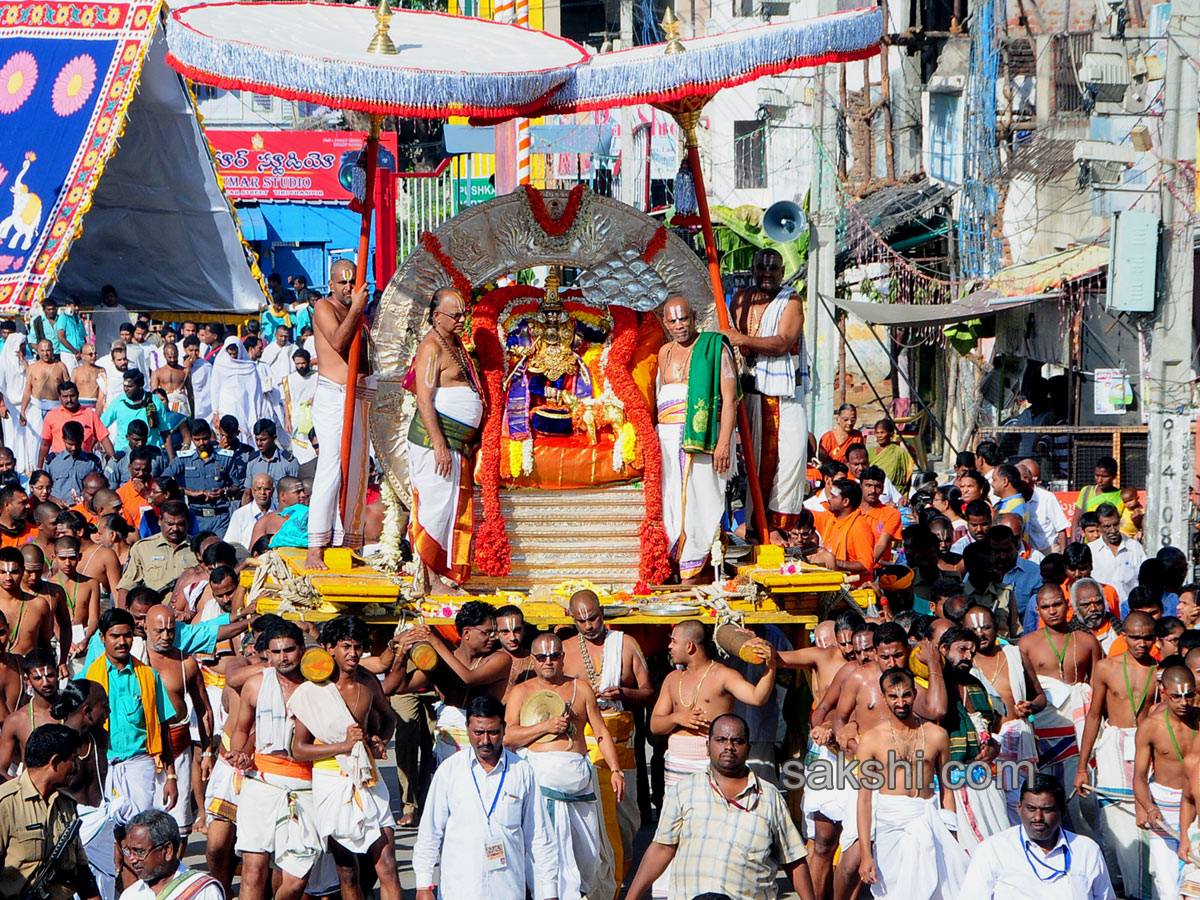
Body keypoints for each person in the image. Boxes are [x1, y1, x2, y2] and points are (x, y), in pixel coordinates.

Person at [623, 713, 815, 900]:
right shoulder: (684, 791)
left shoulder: (769, 797)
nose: (729, 747)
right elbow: (662, 848)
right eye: (721, 740)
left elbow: (793, 860)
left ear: (748, 748)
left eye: (737, 741)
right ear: (708, 746)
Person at [648, 619, 777, 897]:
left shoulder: (722, 675)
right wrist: (677, 717)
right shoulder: (673, 679)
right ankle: (672, 890)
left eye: (673, 641)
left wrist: (771, 669)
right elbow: (655, 725)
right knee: (674, 828)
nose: (669, 646)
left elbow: (755, 697)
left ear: (690, 646)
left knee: (711, 829)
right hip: (676, 764)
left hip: (710, 764)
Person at [504, 632, 622, 900]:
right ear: (533, 659)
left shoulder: (581, 689)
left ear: (562, 658)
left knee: (589, 857)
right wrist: (546, 726)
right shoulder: (521, 692)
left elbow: (601, 732)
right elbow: (508, 735)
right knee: (549, 856)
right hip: (541, 785)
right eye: (542, 657)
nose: (549, 661)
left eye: (554, 656)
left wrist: (615, 769)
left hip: (579, 784)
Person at [289, 615, 399, 900]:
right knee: (347, 871)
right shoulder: (311, 691)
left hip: (367, 778)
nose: (353, 654)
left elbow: (389, 718)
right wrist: (342, 746)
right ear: (329, 648)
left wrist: (379, 741)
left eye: (358, 647)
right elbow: (298, 749)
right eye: (346, 646)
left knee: (387, 865)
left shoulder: (367, 681)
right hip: (330, 780)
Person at [412, 693, 558, 900]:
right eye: (478, 733)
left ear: (504, 728)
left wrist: (548, 891)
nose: (485, 741)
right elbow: (430, 832)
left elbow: (539, 837)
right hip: (460, 890)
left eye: (493, 732)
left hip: (507, 890)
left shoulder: (522, 771)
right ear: (467, 728)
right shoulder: (450, 771)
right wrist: (423, 885)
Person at [561, 589, 652, 880]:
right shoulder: (564, 651)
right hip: (581, 747)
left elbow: (649, 692)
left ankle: (617, 882)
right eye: (581, 621)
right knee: (587, 821)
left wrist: (624, 692)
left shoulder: (625, 644)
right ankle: (593, 885)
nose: (589, 626)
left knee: (625, 821)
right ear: (572, 619)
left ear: (603, 611)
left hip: (620, 743)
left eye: (595, 618)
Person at [229, 620, 324, 900]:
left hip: (307, 782)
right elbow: (241, 731)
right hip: (262, 779)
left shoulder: (318, 685)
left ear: (302, 649)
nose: (284, 657)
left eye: (290, 650)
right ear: (266, 655)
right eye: (277, 652)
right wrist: (241, 754)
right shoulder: (256, 685)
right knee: (254, 871)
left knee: (295, 880)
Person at [856, 668, 968, 900]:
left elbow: (948, 790)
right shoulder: (871, 739)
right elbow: (864, 799)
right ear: (884, 697)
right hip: (890, 824)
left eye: (906, 695)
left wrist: (951, 833)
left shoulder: (936, 735)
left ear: (915, 694)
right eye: (893, 696)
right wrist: (866, 853)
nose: (900, 702)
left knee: (939, 890)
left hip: (928, 819)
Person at [85, 607, 177, 885]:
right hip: (105, 767)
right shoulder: (90, 678)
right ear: (103, 637)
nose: (122, 641)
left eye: (127, 635)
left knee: (137, 839)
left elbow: (162, 727)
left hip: (140, 766)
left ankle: (136, 891)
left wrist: (170, 776)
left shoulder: (148, 676)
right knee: (108, 839)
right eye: (115, 636)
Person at [1074, 611, 1159, 897]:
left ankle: (1143, 889)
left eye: (1148, 638)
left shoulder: (1159, 672)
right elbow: (1094, 716)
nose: (1141, 644)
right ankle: (1119, 886)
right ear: (1124, 637)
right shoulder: (1106, 668)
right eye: (1135, 637)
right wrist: (1082, 766)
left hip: (1146, 748)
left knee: (1145, 819)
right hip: (1112, 747)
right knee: (1112, 825)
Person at [404, 286, 482, 590]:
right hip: (434, 441)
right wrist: (438, 443)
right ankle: (428, 578)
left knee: (449, 509)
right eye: (455, 314)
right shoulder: (431, 347)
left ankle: (440, 573)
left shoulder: (455, 343)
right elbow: (424, 400)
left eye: (464, 313)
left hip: (455, 442)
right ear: (437, 317)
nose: (462, 319)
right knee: (433, 508)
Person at [656, 296, 736, 579]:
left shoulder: (715, 348)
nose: (680, 326)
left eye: (684, 319)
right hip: (666, 442)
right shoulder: (663, 353)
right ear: (665, 323)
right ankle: (675, 565)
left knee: (701, 505)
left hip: (701, 443)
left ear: (695, 317)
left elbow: (730, 401)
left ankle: (698, 568)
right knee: (670, 504)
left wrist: (724, 442)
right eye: (673, 321)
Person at [1019, 584, 1102, 839]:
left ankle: (1090, 846)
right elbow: (1024, 690)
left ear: (1067, 604)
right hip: (1044, 728)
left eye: (1057, 604)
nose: (1052, 611)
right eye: (1046, 607)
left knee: (1083, 798)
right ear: (1037, 610)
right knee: (1048, 793)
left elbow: (1099, 686)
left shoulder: (1087, 641)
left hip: (1079, 727)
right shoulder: (1026, 644)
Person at [387, 601, 513, 763]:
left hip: (484, 739)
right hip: (447, 740)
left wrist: (435, 641)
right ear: (467, 632)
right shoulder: (442, 660)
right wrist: (402, 652)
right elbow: (401, 687)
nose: (493, 638)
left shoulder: (500, 659)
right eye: (487, 632)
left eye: (494, 633)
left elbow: (467, 679)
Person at [957, 774, 1115, 900]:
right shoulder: (993, 850)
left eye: (1047, 810)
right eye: (1031, 809)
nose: (1038, 817)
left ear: (1062, 811)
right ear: (1019, 808)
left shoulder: (1086, 849)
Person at [0, 722, 100, 900]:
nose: (77, 768)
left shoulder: (66, 804)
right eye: (73, 759)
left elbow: (82, 871)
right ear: (54, 762)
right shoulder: (6, 803)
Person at [966, 603, 1047, 820]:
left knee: (1024, 807)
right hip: (985, 748)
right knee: (995, 813)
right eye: (973, 629)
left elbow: (1040, 697)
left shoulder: (1014, 655)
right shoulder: (964, 664)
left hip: (1019, 743)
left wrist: (1031, 707)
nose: (980, 633)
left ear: (997, 628)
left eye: (985, 627)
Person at [144, 605, 211, 838]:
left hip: (178, 745)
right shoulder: (133, 659)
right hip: (142, 750)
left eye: (170, 631)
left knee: (179, 824)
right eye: (159, 631)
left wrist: (208, 751)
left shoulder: (186, 662)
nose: (165, 637)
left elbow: (204, 710)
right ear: (145, 628)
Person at [1131, 664, 1196, 900]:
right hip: (1163, 809)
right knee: (1167, 885)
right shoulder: (1150, 727)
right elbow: (1139, 776)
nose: (1184, 703)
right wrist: (1147, 807)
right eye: (1176, 696)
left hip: (1196, 807)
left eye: (1189, 695)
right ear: (1163, 692)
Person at [117, 809, 221, 900]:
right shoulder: (131, 895)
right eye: (129, 851)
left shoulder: (202, 891)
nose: (132, 859)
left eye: (140, 852)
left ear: (167, 850)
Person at [163, 418, 241, 535]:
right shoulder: (184, 459)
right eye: (197, 440)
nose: (201, 443)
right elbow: (164, 481)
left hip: (220, 517)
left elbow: (236, 486)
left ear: (210, 436)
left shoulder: (225, 458)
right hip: (196, 517)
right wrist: (191, 493)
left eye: (205, 438)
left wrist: (224, 492)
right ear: (191, 437)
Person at [116, 501, 197, 601]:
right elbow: (126, 586)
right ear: (160, 521)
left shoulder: (198, 548)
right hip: (154, 611)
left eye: (180, 524)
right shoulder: (143, 548)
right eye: (170, 524)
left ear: (188, 522)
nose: (175, 529)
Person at [0, 648, 61, 773]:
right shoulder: (16, 721)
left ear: (58, 672)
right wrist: (21, 789)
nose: (45, 683)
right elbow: (1, 768)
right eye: (38, 678)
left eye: (50, 675)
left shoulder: (74, 711)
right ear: (27, 680)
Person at [809, 479, 877, 585]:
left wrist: (834, 562)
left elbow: (866, 567)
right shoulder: (831, 519)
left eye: (833, 496)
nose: (828, 498)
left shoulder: (859, 527)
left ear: (845, 502)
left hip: (855, 592)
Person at [38, 380, 114, 466]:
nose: (69, 400)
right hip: (59, 466)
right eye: (65, 396)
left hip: (84, 464)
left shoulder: (90, 415)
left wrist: (115, 462)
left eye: (72, 396)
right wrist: (39, 467)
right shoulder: (51, 416)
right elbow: (45, 444)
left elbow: (104, 438)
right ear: (59, 397)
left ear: (78, 395)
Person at [100, 371, 174, 459]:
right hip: (124, 455)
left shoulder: (155, 402)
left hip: (150, 454)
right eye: (125, 386)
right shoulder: (119, 402)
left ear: (140, 386)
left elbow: (165, 432)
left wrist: (171, 458)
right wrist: (111, 453)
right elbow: (100, 427)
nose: (126, 389)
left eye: (130, 386)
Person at [1089, 501, 1147, 604]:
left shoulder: (1134, 547)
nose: (1112, 530)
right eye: (1107, 526)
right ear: (1099, 527)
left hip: (1129, 610)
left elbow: (1144, 579)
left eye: (1115, 524)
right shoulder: (1091, 551)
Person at [241, 419, 298, 505]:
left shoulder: (289, 462)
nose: (259, 444)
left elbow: (296, 494)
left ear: (274, 438)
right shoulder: (253, 461)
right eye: (257, 440)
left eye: (263, 440)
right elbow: (248, 493)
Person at [45, 421, 103, 504]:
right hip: (57, 509)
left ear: (82, 439)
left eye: (77, 444)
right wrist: (55, 500)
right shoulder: (52, 462)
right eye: (70, 444)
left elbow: (100, 488)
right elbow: (43, 490)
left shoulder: (92, 462)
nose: (73, 448)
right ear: (63, 439)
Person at [1072, 456, 1123, 539]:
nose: (1099, 480)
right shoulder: (1086, 491)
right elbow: (1076, 520)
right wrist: (1074, 543)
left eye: (1105, 476)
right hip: (1088, 543)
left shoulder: (1120, 496)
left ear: (1114, 476)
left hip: (1110, 543)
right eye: (1097, 475)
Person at [283, 349, 317, 463]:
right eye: (298, 364)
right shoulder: (290, 379)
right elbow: (287, 402)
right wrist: (287, 421)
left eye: (303, 363)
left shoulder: (317, 377)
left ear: (308, 362)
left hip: (315, 417)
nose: (301, 366)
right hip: (297, 420)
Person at [226, 472, 274, 550]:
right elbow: (231, 543)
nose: (262, 493)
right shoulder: (240, 514)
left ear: (273, 491)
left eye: (267, 489)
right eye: (258, 488)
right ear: (252, 491)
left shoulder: (280, 513)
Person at [149, 342, 192, 418]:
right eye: (170, 357)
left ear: (178, 354)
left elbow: (190, 394)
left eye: (175, 357)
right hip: (165, 407)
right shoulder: (157, 373)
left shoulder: (185, 371)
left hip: (181, 407)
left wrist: (193, 413)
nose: (172, 360)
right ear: (164, 355)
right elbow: (154, 395)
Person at [869, 418, 913, 492]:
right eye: (877, 433)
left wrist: (906, 493)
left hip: (896, 492)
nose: (879, 436)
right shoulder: (871, 452)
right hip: (875, 491)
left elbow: (908, 475)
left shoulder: (899, 452)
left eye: (882, 432)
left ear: (891, 434)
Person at [72, 343, 106, 414]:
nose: (93, 356)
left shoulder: (101, 370)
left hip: (95, 406)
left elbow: (102, 393)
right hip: (79, 407)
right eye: (90, 354)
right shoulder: (76, 371)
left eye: (95, 354)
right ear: (82, 356)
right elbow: (72, 391)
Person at [53, 302, 86, 370]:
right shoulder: (63, 317)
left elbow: (83, 337)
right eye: (74, 306)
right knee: (71, 376)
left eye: (78, 306)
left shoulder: (79, 320)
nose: (77, 308)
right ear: (67, 305)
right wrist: (75, 352)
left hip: (80, 354)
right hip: (68, 353)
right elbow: (61, 338)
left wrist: (83, 352)